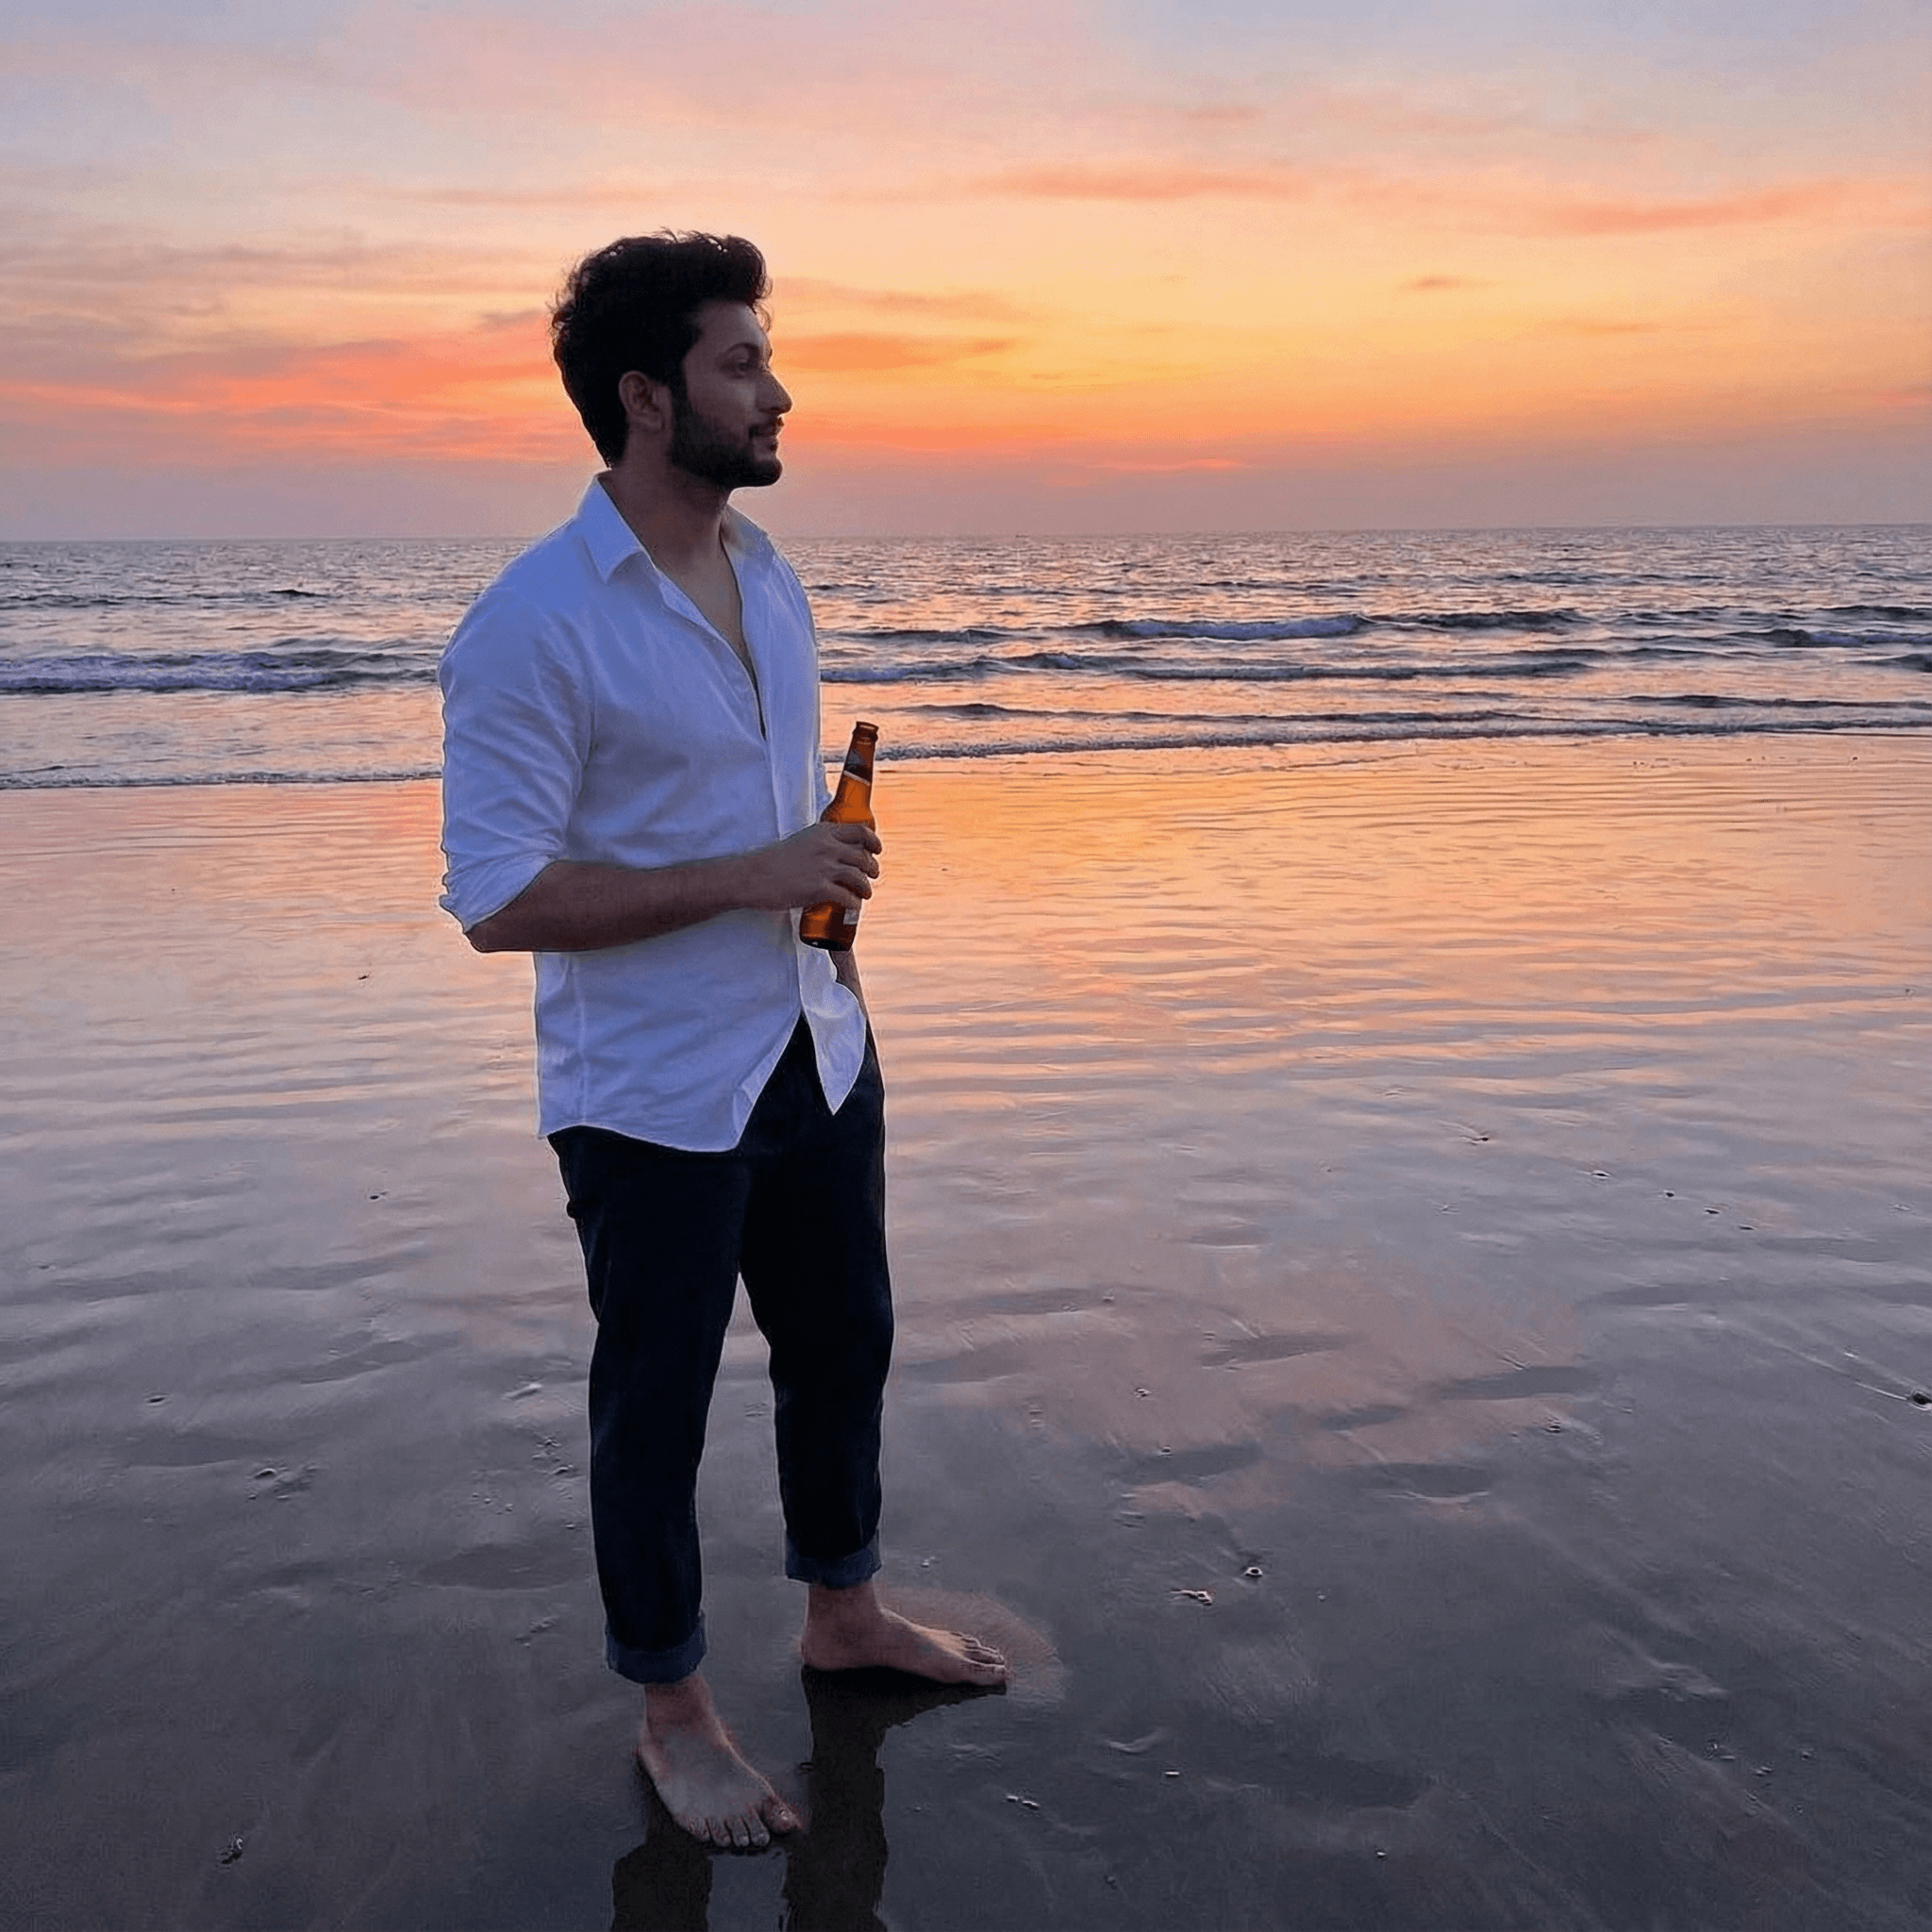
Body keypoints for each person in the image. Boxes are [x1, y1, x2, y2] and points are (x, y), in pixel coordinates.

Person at [437, 231, 1008, 1851]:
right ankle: (674, 1714)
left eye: (768, 355)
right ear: (644, 394)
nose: (777, 388)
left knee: (845, 1349)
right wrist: (747, 877)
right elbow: (495, 899)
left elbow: (757, 809)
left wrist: (816, 874)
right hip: (652, 1092)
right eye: (742, 359)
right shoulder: (530, 625)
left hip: (816, 1041)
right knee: (659, 1405)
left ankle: (844, 1615)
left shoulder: (767, 571)